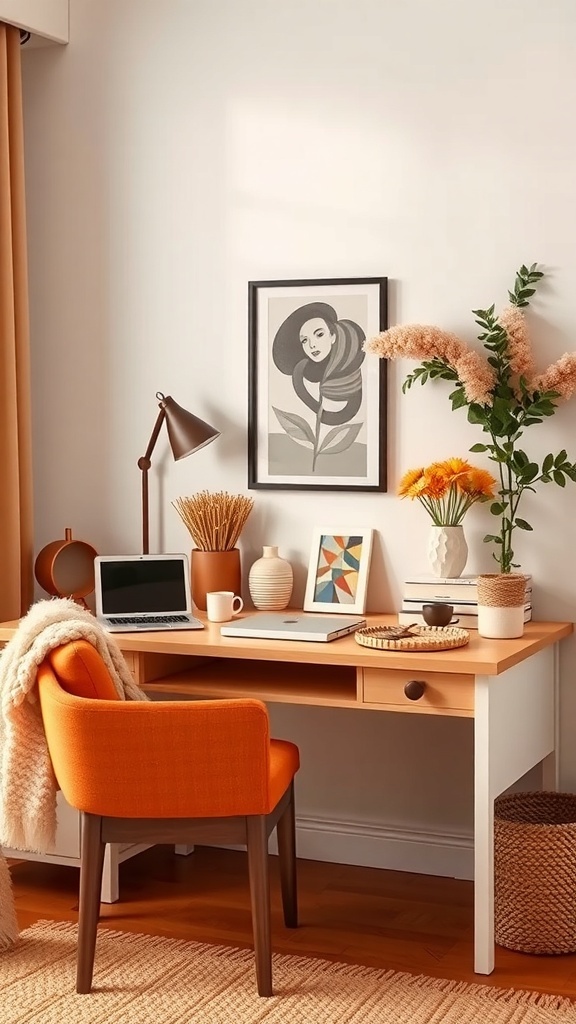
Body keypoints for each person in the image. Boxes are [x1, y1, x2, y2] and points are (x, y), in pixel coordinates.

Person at [272, 301, 365, 426]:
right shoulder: (304, 372)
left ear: (333, 336)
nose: (311, 345)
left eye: (319, 334)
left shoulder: (347, 367)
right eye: (304, 340)